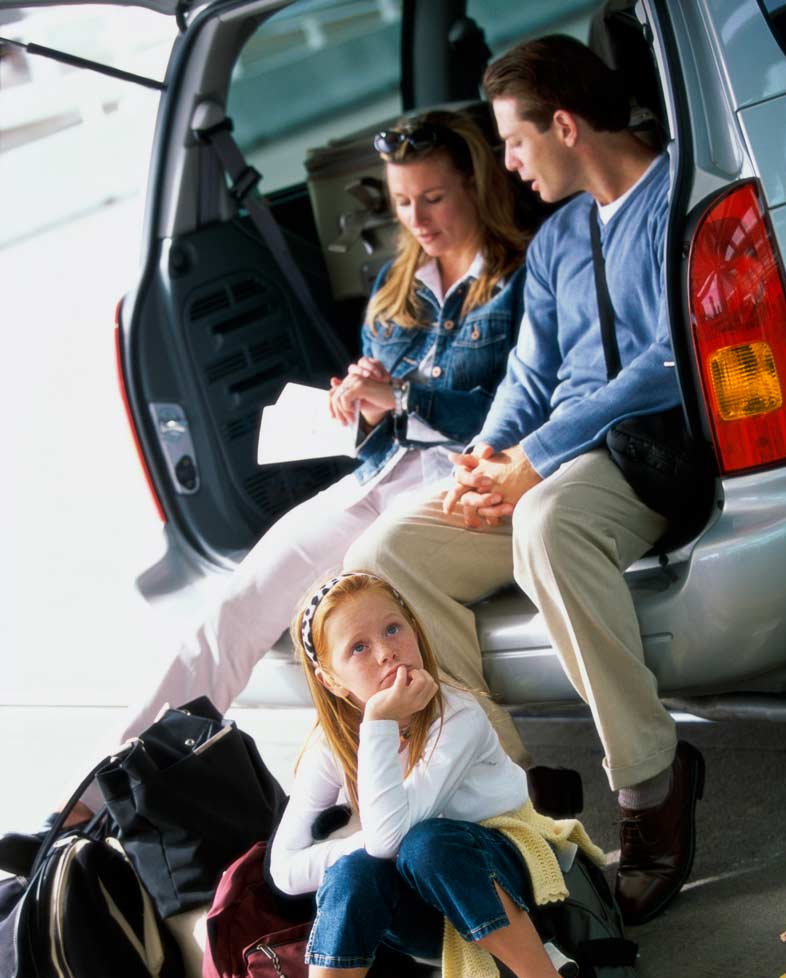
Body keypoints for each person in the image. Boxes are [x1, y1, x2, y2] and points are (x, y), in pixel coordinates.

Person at [0, 108, 528, 859]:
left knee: (368, 578)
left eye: (434, 198)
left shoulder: (518, 280)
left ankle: (462, 802)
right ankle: (89, 803)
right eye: (403, 202)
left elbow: (520, 403)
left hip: (458, 485)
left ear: (474, 187)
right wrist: (361, 397)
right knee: (237, 608)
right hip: (377, 475)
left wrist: (404, 399)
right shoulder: (395, 285)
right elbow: (384, 413)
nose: (418, 219)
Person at [342, 35, 705, 928]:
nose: (505, 162)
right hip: (546, 463)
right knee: (391, 552)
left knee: (545, 520)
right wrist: (484, 461)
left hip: (641, 456)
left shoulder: (678, 205)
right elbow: (529, 382)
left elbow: (668, 361)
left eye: (512, 141)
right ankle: (507, 797)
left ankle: (651, 782)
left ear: (567, 126)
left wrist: (531, 462)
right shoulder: (558, 242)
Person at [255, 571, 613, 978]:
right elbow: (285, 870)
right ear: (330, 678)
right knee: (352, 874)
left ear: (416, 631)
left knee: (425, 844)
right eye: (359, 648)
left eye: (394, 628)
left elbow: (397, 837)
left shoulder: (458, 713)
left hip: (505, 870)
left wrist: (378, 725)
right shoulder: (330, 743)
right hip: (431, 909)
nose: (387, 651)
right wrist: (362, 841)